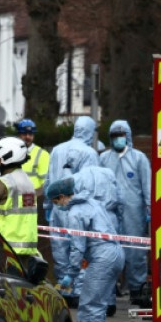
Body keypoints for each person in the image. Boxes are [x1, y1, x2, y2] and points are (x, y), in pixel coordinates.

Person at [46, 177, 124, 322]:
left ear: (62, 196)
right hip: (116, 254)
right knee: (100, 303)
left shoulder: (75, 214)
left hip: (102, 257)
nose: (56, 206)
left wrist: (70, 275)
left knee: (89, 305)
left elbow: (77, 247)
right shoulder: (92, 203)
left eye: (55, 201)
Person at [44, 115, 100, 304]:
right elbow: (92, 183)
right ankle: (78, 290)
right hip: (78, 209)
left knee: (60, 249)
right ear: (90, 132)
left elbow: (49, 180)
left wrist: (47, 205)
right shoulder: (90, 153)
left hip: (57, 208)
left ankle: (64, 289)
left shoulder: (57, 150)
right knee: (80, 248)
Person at [99, 119, 151, 298]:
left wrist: (149, 209)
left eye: (121, 136)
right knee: (109, 249)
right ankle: (111, 288)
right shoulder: (104, 158)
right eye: (114, 136)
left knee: (135, 250)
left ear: (127, 136)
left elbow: (147, 186)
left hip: (133, 212)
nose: (118, 139)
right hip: (109, 211)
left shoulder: (139, 158)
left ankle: (137, 288)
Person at [72, 162, 123, 316]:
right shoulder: (109, 173)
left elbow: (75, 198)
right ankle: (110, 302)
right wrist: (119, 219)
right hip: (110, 218)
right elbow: (121, 199)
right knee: (108, 265)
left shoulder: (78, 177)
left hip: (90, 218)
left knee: (88, 260)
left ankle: (83, 297)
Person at [15, 119, 50, 198]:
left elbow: (46, 184)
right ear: (19, 135)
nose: (27, 137)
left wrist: (31, 197)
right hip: (13, 200)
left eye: (30, 134)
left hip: (32, 200)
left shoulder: (43, 155)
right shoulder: (11, 152)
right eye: (24, 134)